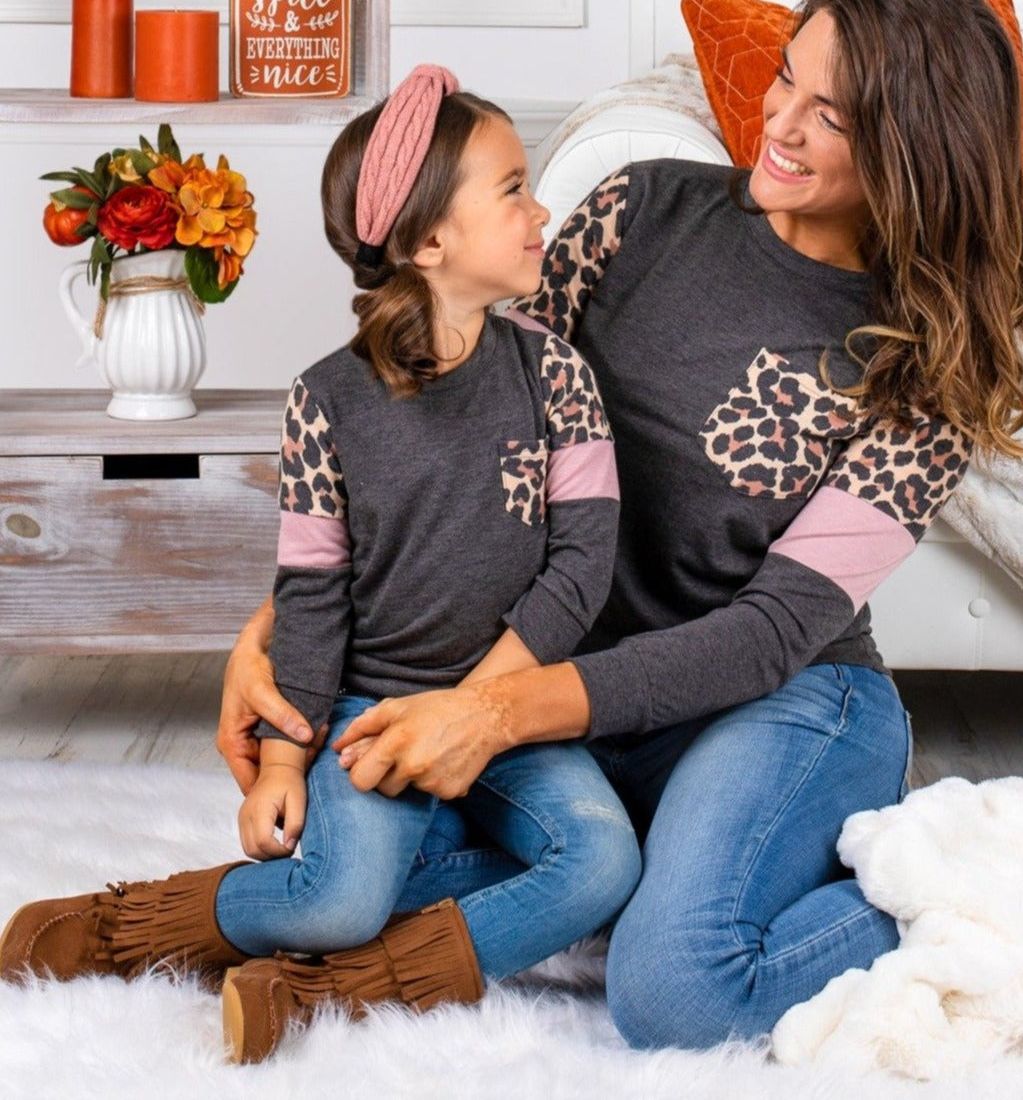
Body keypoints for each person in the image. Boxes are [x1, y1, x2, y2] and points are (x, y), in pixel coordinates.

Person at [216, 0, 1023, 1052]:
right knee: (368, 849)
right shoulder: (641, 207)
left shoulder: (931, 362)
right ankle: (203, 921)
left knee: (676, 988)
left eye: (831, 114)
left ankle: (971, 890)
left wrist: (490, 712)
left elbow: (766, 633)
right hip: (579, 685)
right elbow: (446, 427)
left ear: (913, 145)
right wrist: (273, 637)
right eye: (785, 78)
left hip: (781, 698)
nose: (778, 123)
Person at [0, 66, 641, 1064]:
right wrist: (286, 761)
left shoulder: (555, 374)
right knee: (338, 895)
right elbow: (312, 597)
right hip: (369, 713)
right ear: (430, 242)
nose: (539, 211)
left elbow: (581, 565)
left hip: (511, 706)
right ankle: (138, 924)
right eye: (514, 188)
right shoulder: (325, 400)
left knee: (603, 861)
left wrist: (472, 712)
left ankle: (329, 986)